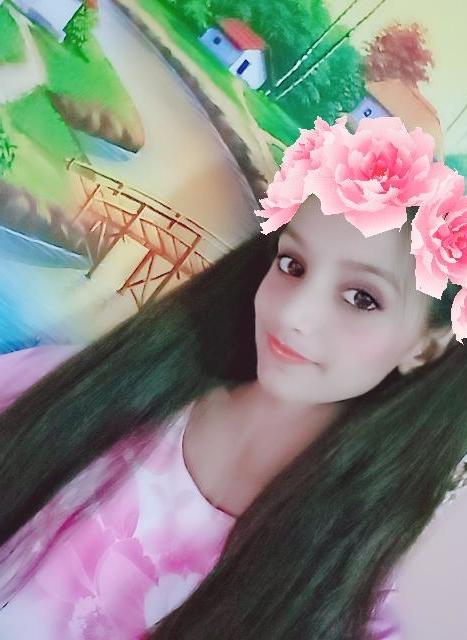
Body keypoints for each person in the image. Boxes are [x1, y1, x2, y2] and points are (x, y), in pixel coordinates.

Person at [0, 115, 466, 639]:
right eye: (293, 265)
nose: (294, 313)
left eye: (362, 298)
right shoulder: (106, 392)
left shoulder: (356, 588)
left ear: (426, 347)